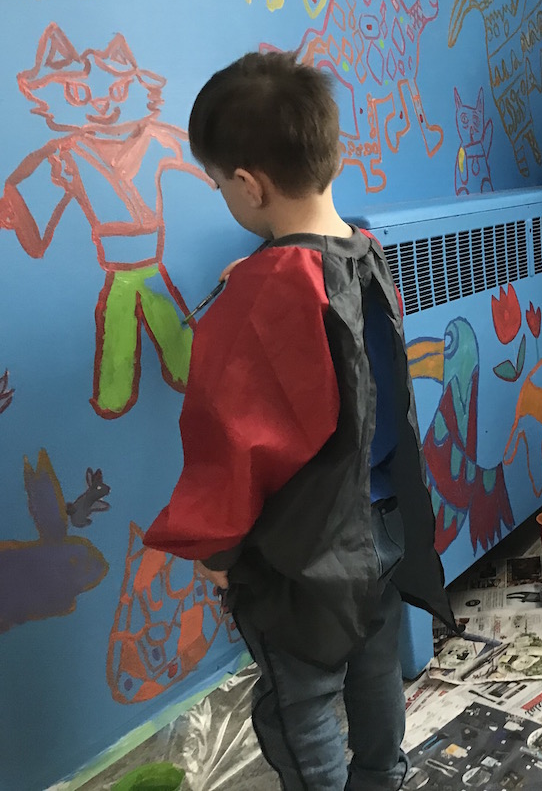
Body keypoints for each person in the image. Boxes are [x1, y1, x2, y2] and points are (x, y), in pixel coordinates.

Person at [142, 51, 455, 791]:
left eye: (220, 183)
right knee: (375, 666)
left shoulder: (264, 290)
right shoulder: (367, 256)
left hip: (308, 549)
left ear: (247, 185)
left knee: (300, 698)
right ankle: (383, 776)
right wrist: (259, 271)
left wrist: (216, 548)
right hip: (379, 521)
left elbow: (235, 434)